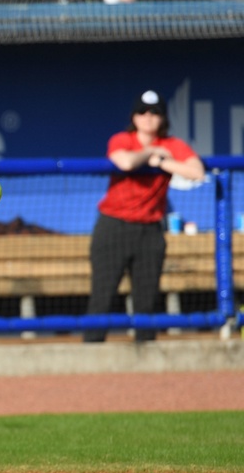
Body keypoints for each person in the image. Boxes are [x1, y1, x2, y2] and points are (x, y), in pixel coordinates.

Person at [84, 90, 204, 343]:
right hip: (113, 228)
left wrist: (161, 162)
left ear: (163, 118)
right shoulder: (122, 139)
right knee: (102, 298)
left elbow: (197, 172)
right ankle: (90, 357)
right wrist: (151, 154)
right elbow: (125, 162)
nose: (148, 117)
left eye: (155, 112)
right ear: (134, 117)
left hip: (149, 231)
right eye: (142, 112)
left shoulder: (172, 146)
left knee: (146, 301)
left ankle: (146, 368)